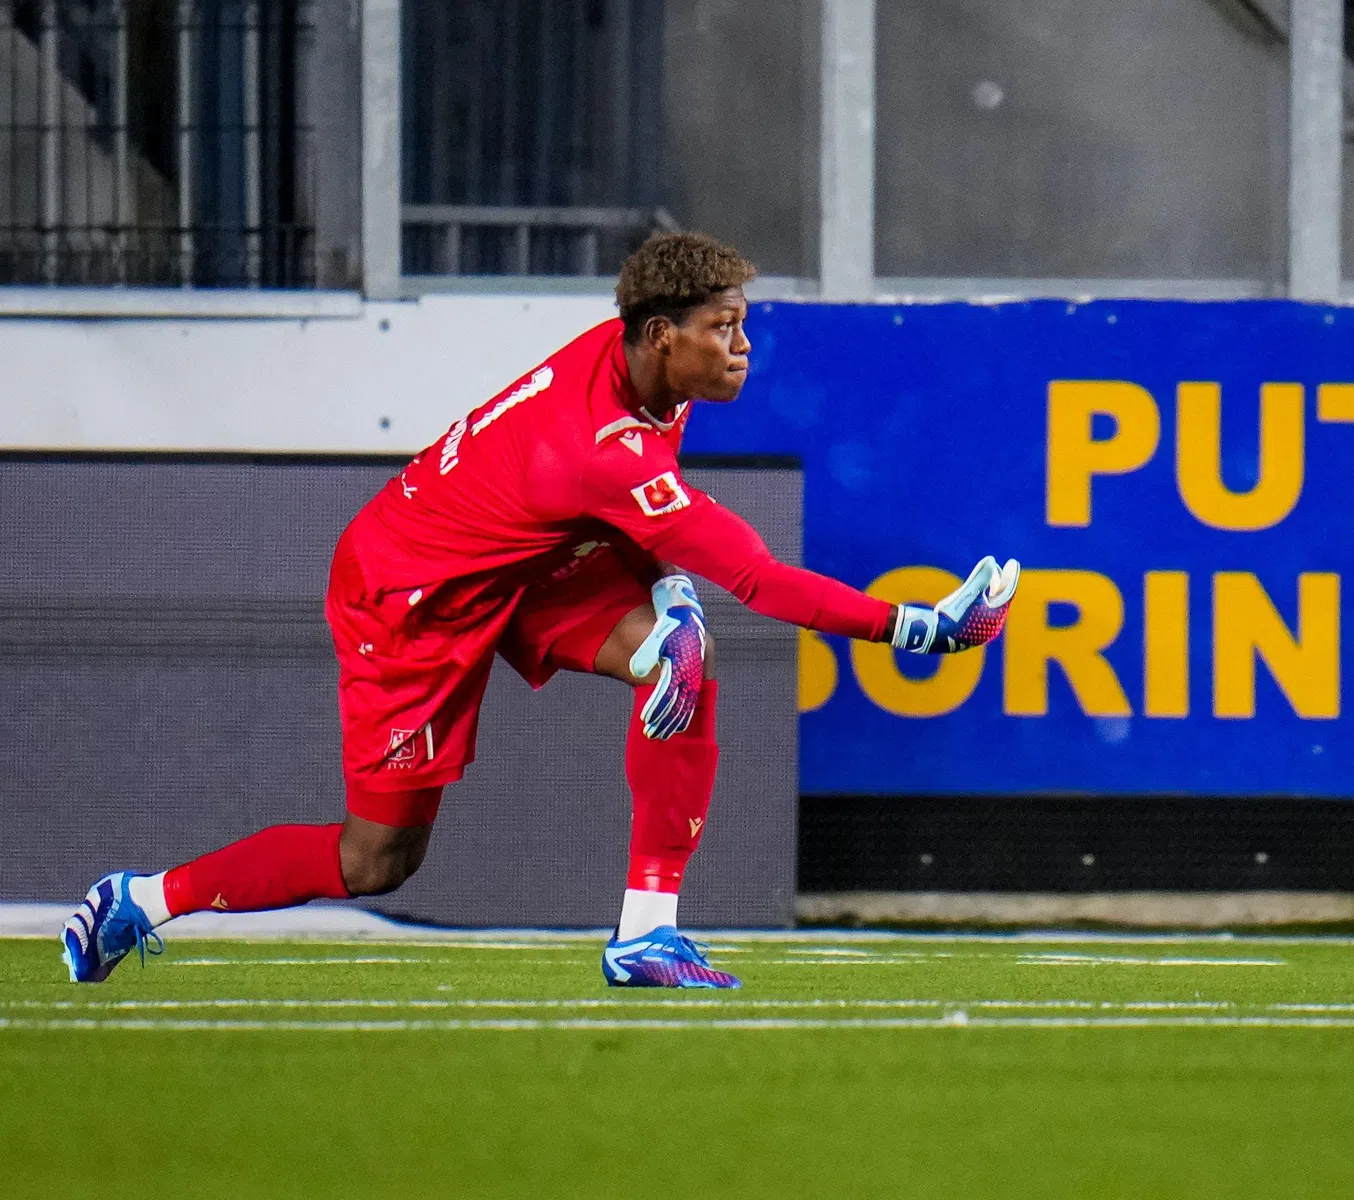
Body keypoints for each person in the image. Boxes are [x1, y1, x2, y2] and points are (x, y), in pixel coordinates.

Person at [60, 232, 1019, 989]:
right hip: (410, 599)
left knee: (683, 657)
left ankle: (647, 933)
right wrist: (920, 628)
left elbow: (652, 514)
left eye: (741, 322)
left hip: (525, 562)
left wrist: (670, 595)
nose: (743, 345)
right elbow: (758, 576)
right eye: (724, 326)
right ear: (661, 336)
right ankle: (142, 899)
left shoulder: (643, 371)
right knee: (377, 863)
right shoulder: (600, 443)